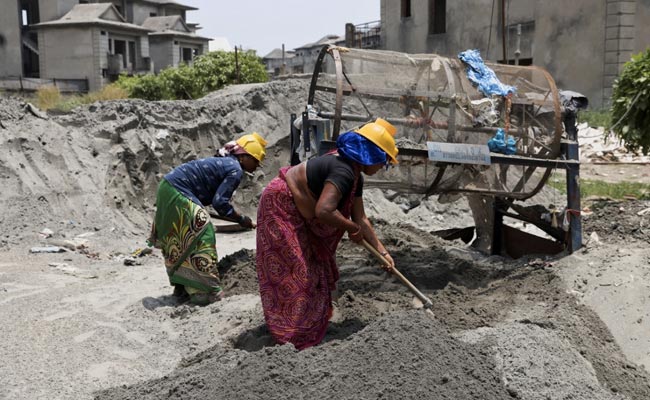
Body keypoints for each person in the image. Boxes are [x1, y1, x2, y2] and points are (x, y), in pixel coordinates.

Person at [256, 118, 398, 349]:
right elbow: (324, 211)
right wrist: (351, 229)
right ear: (372, 154)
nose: (383, 167)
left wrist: (383, 252)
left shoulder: (354, 174)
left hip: (300, 210)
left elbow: (360, 218)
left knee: (312, 269)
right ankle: (290, 337)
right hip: (281, 206)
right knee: (298, 272)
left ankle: (304, 330)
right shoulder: (343, 170)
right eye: (384, 161)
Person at [148, 133, 267, 305]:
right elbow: (220, 203)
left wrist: (238, 217)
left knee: (182, 240)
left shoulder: (227, 163)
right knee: (204, 233)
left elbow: (216, 201)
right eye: (255, 160)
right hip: (177, 191)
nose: (257, 166)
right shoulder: (235, 169)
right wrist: (241, 219)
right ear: (243, 156)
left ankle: (182, 288)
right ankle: (206, 292)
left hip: (167, 188)